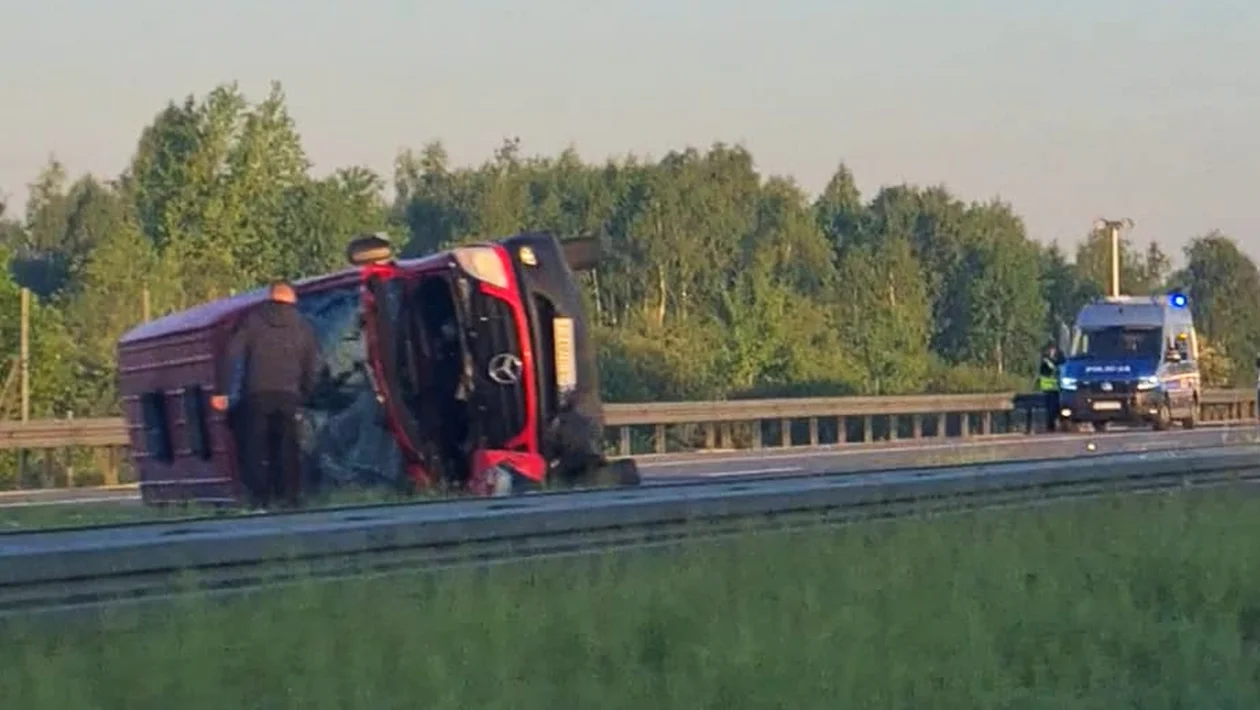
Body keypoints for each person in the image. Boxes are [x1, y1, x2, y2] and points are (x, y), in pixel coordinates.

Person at [209, 281, 321, 508]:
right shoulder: (303, 326)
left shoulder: (252, 321)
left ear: (271, 296)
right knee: (288, 447)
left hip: (256, 393)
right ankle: (289, 497)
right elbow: (312, 364)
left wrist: (222, 390)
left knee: (256, 448)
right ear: (292, 298)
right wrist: (307, 393)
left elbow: (232, 355)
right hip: (289, 395)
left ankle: (260, 499)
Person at [1037, 340, 1065, 432]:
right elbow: (1044, 371)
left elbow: (1061, 368)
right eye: (1050, 349)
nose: (1051, 351)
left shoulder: (1060, 357)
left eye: (1052, 349)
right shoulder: (1045, 359)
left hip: (1058, 388)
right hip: (1048, 388)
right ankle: (1050, 426)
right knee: (1050, 408)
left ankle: (1057, 424)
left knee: (1056, 407)